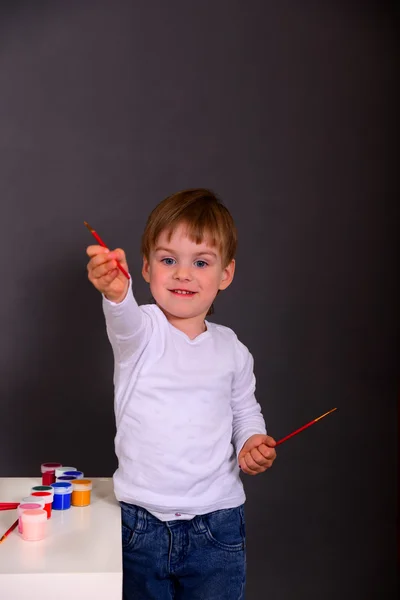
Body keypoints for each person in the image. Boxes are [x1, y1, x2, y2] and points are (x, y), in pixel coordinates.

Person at [86, 188, 277, 600]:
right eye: (168, 260)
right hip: (141, 525)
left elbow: (245, 411)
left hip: (218, 524)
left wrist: (251, 442)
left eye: (201, 262)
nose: (183, 274)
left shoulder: (233, 349)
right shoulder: (141, 332)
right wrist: (115, 291)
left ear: (225, 274)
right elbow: (122, 316)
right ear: (147, 268)